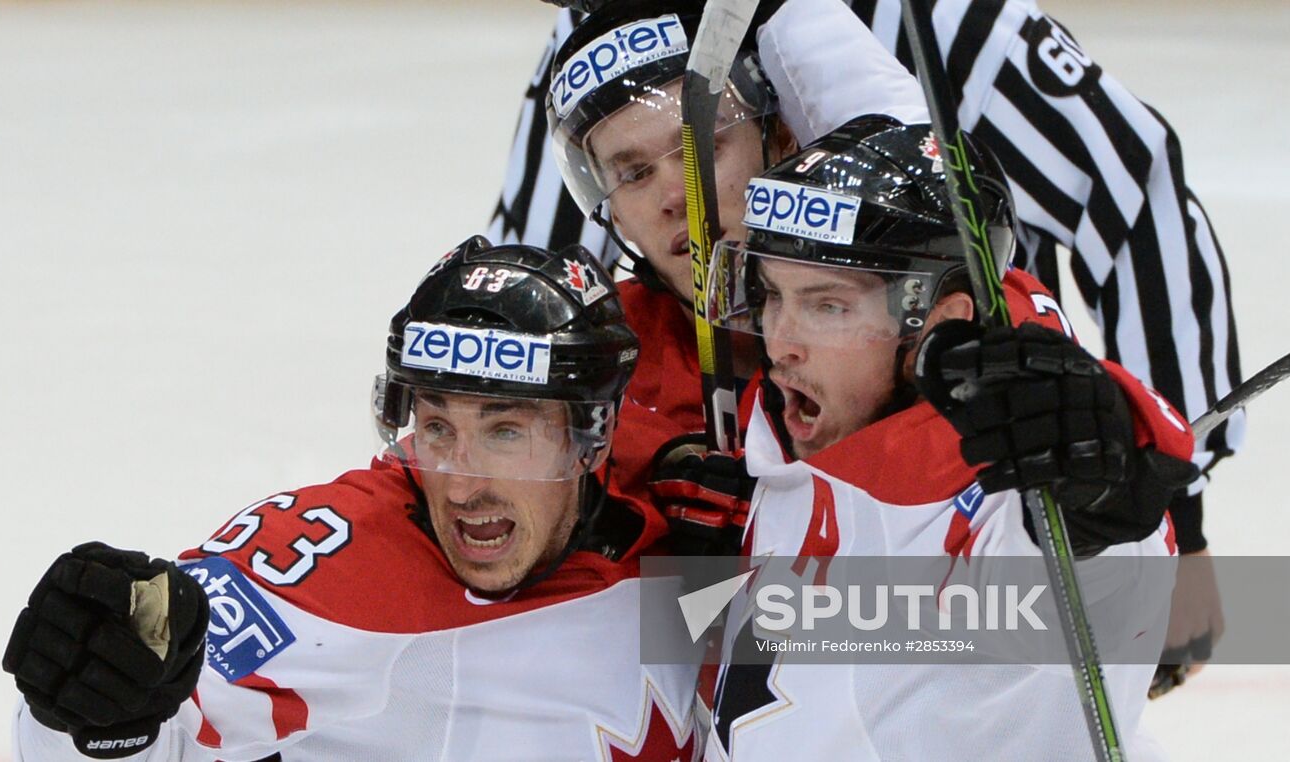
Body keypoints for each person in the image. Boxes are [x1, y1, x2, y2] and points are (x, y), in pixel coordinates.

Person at [501, 0, 1236, 680]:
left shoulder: (938, 342)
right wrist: (675, 582)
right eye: (633, 174)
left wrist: (1143, 516)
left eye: (705, 146)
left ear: (779, 135)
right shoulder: (623, 373)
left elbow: (1132, 183)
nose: (675, 195)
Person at [2, 237, 699, 761]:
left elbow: (762, 696)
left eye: (505, 432)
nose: (461, 484)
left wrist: (752, 557)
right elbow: (164, 730)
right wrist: (92, 718)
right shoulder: (343, 569)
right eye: (436, 428)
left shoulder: (681, 520)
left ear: (591, 438)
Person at [702, 117, 1197, 760]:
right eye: (772, 295)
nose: (781, 344)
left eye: (828, 306)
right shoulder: (786, 439)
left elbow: (1078, 586)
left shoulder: (994, 513)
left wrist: (1097, 499)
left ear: (940, 323)